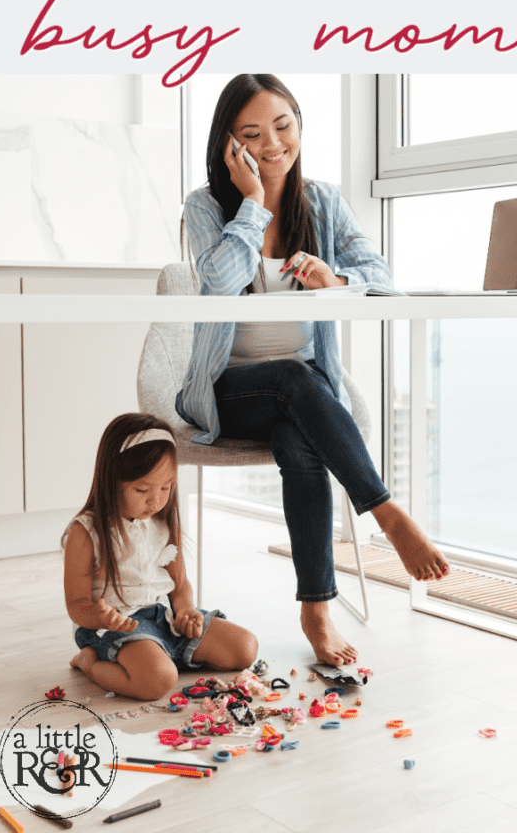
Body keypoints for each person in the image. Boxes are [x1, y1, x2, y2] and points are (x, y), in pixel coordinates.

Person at [176, 74, 449, 667]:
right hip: (229, 390)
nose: (272, 143)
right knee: (295, 381)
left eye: (283, 126)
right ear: (230, 146)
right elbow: (218, 283)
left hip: (302, 395)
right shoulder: (205, 207)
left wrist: (338, 280)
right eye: (252, 134)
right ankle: (383, 508)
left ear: (300, 126)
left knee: (302, 443)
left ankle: (316, 610)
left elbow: (384, 282)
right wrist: (251, 206)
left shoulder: (322, 202)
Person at [64, 413, 258, 701]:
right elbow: (76, 603)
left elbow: (179, 585)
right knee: (158, 681)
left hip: (164, 620)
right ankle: (91, 663)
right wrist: (100, 617)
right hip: (119, 627)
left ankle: (163, 653)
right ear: (111, 479)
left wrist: (185, 611)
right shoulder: (86, 533)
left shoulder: (162, 523)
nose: (156, 500)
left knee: (245, 648)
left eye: (166, 487)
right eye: (142, 490)